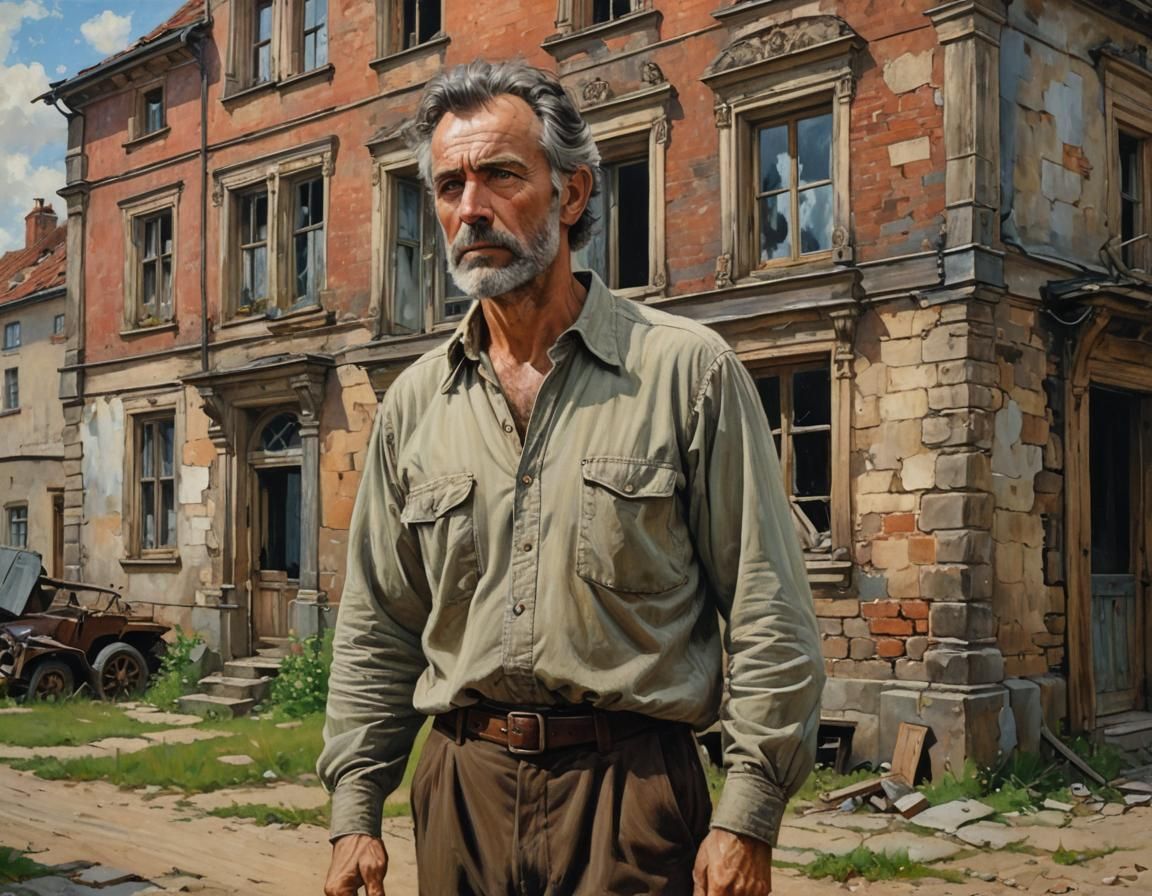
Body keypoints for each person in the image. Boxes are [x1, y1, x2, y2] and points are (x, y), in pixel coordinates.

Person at [319, 60, 824, 896]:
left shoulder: (685, 372)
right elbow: (377, 626)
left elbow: (770, 608)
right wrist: (355, 811)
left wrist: (747, 812)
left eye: (500, 176)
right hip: (461, 794)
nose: (470, 208)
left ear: (573, 193)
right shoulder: (413, 405)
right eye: (449, 186)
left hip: (633, 797)